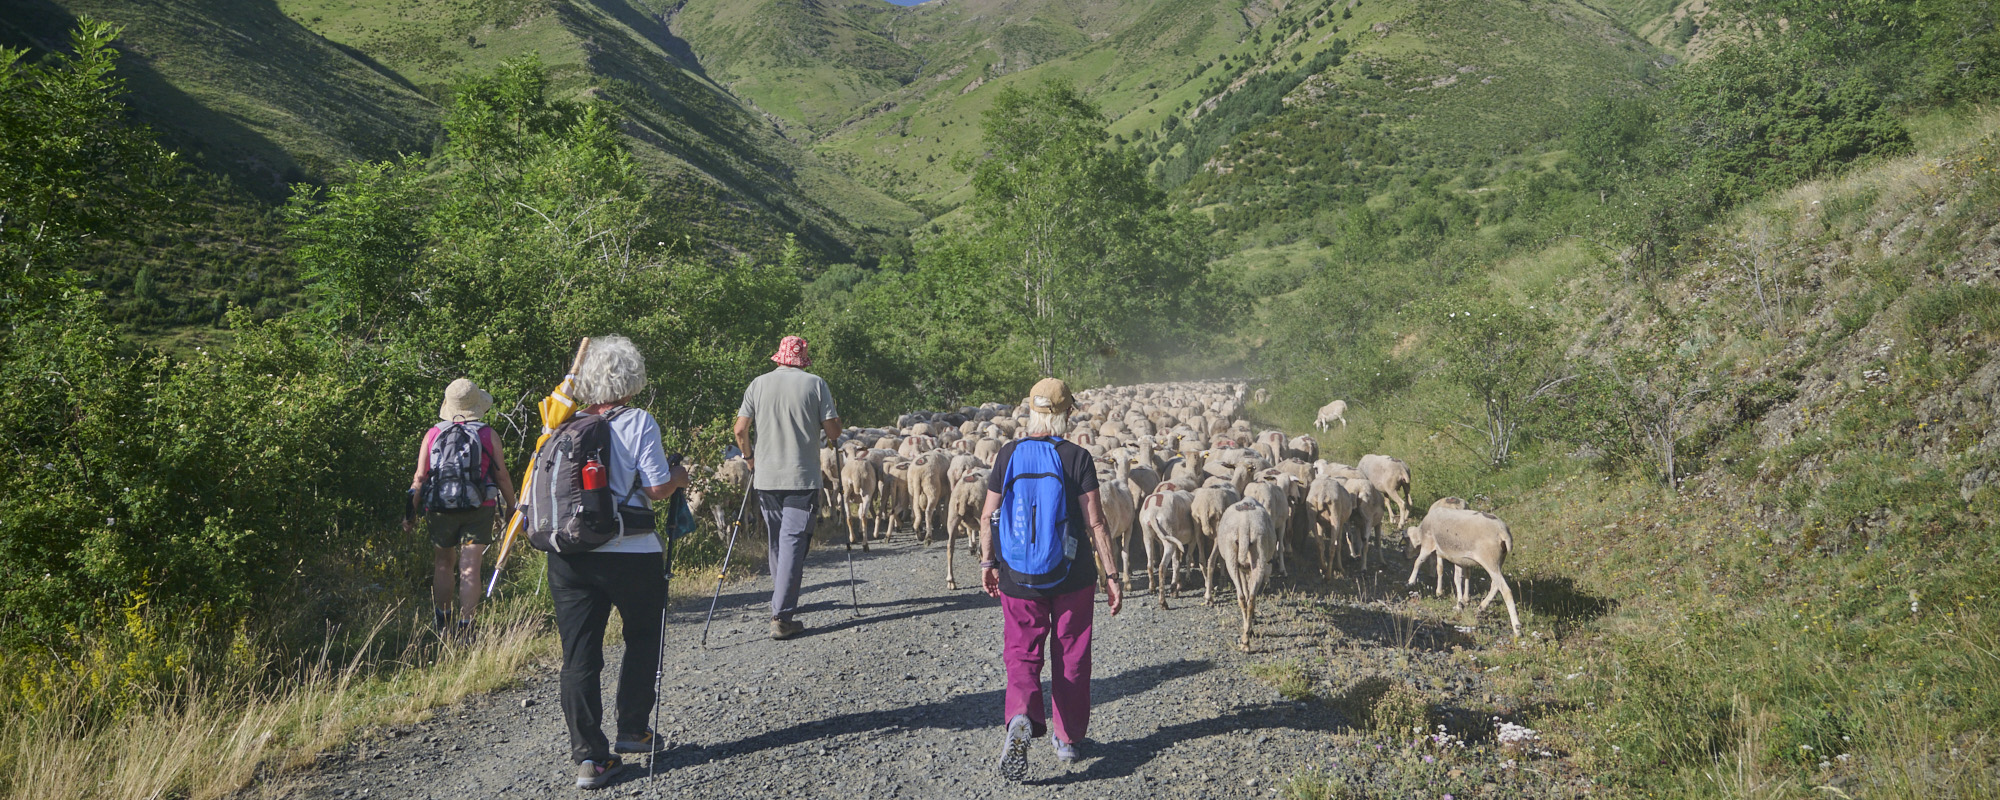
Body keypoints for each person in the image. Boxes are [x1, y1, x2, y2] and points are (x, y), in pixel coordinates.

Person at [548, 336, 691, 789]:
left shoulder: (563, 421)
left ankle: (591, 759)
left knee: (579, 656)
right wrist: (679, 477)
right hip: (632, 551)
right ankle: (633, 728)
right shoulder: (638, 421)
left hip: (568, 554)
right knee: (643, 636)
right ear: (633, 380)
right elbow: (656, 488)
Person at [980, 377, 1122, 781]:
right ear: (1066, 413)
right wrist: (1112, 574)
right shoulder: (1077, 457)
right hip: (1072, 575)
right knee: (1072, 655)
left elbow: (988, 516)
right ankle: (1067, 739)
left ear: (1031, 411)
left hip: (1018, 576)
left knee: (1021, 653)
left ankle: (1021, 718)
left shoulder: (1008, 454)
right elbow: (1096, 523)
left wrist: (988, 563)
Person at [733, 335, 842, 641]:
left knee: (778, 542)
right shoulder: (815, 384)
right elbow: (833, 432)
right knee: (794, 543)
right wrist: (831, 421)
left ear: (779, 357)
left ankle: (781, 602)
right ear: (803, 360)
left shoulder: (757, 384)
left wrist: (749, 458)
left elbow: (740, 429)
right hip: (801, 477)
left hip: (766, 479)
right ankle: (781, 616)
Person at [406, 377, 516, 635]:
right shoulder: (487, 434)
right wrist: (512, 506)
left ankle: (443, 622)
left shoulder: (433, 433)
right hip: (479, 506)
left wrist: (410, 513)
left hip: (439, 507)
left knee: (443, 563)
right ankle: (466, 627)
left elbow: (419, 477)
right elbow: (501, 476)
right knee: (471, 565)